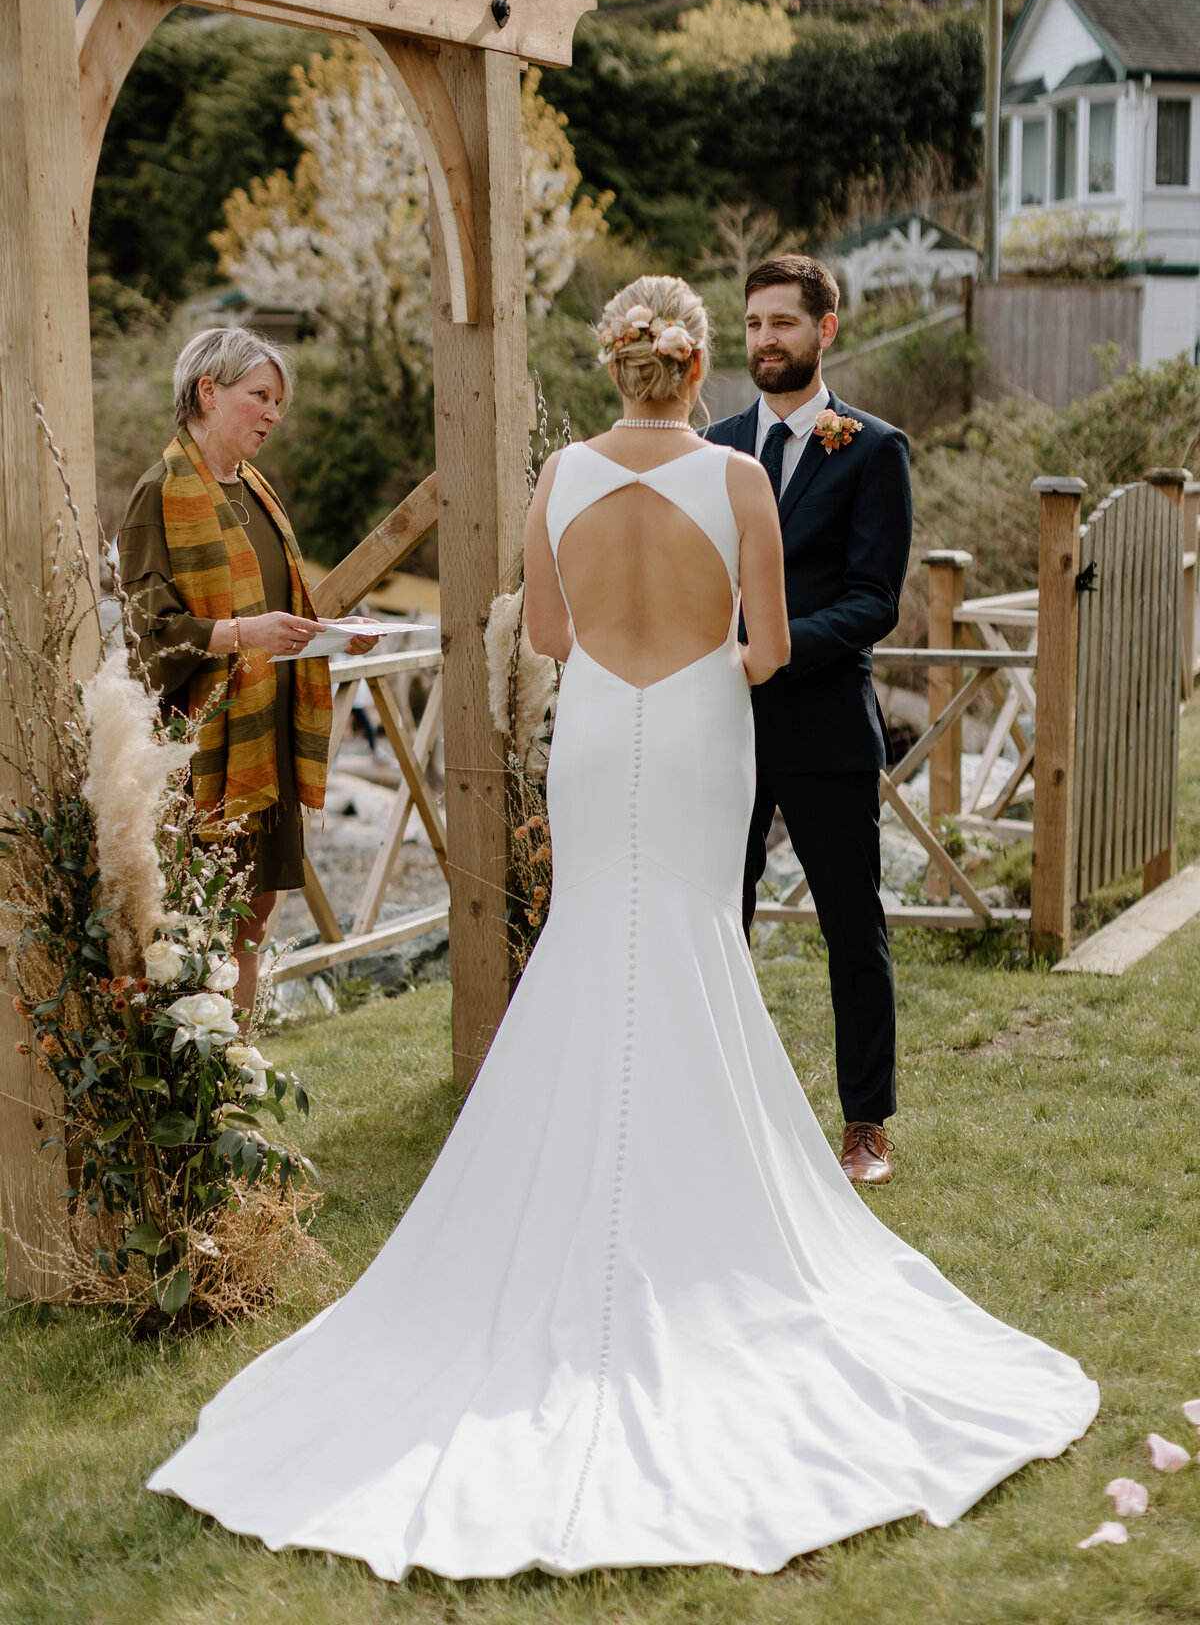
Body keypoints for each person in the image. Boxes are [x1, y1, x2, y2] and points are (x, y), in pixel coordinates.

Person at [147, 278, 1096, 1580]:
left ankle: (576, 1186)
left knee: (597, 944)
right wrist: (711, 654)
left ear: (613, 364)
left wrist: (621, 648)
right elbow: (768, 646)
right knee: (697, 947)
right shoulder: (741, 481)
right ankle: (708, 1204)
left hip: (596, 736)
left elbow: (545, 632)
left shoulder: (558, 481)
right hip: (702, 729)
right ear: (698, 362)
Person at [706, 255, 911, 1187]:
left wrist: (774, 648)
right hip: (719, 726)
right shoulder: (707, 448)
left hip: (825, 728)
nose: (764, 341)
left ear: (826, 329)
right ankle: (719, 1107)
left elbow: (874, 600)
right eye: (752, 324)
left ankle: (865, 1124)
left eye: (782, 323)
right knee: (717, 916)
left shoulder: (872, 448)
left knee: (851, 928)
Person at [119, 327, 376, 1014]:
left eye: (278, 404)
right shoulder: (160, 494)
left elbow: (277, 613)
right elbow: (146, 640)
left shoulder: (257, 489)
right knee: (198, 928)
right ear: (208, 391)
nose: (272, 415)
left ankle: (235, 1069)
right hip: (204, 755)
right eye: (260, 396)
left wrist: (326, 636)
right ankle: (199, 1088)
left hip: (267, 745)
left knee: (253, 923)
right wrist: (242, 635)